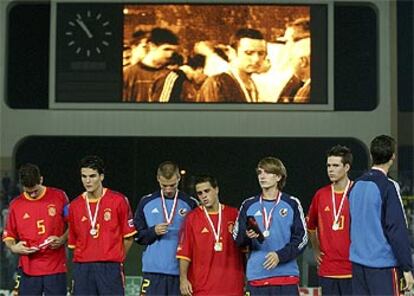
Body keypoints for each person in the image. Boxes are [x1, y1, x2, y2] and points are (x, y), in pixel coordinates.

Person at [349, 135, 414, 295]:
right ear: (393, 157)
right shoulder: (388, 187)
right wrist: (407, 267)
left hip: (358, 264)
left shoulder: (355, 185)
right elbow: (396, 229)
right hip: (382, 266)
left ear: (371, 155)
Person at [233, 157, 308, 295]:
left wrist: (280, 255)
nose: (262, 176)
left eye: (267, 172)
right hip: (257, 276)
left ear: (278, 176)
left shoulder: (291, 203)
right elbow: (237, 239)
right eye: (260, 173)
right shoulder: (249, 205)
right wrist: (247, 237)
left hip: (286, 277)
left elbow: (302, 238)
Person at [68, 155, 137, 295]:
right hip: (83, 268)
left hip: (110, 267)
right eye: (84, 176)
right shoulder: (75, 205)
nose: (87, 181)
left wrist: (116, 257)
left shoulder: (118, 200)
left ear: (101, 177)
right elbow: (73, 243)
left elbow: (129, 237)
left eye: (92, 176)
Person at [2, 163, 69, 295]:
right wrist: (14, 247)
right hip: (28, 270)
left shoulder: (60, 196)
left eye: (35, 191)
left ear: (41, 180)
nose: (32, 195)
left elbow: (74, 225)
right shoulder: (16, 204)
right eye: (28, 191)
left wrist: (62, 239)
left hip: (55, 267)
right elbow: (8, 236)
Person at [134, 161, 198, 295]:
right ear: (158, 179)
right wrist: (153, 232)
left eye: (172, 185)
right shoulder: (146, 202)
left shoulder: (190, 203)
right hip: (153, 271)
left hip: (179, 273)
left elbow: (196, 239)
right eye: (164, 185)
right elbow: (137, 236)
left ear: (179, 178)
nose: (168, 189)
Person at [177, 175, 245, 296]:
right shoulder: (192, 218)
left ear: (216, 189)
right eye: (200, 193)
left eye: (207, 191)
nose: (203, 196)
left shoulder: (234, 214)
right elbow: (185, 253)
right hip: (202, 287)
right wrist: (183, 279)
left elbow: (244, 248)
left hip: (233, 286)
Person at [306, 145, 353, 295]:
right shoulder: (321, 195)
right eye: (328, 165)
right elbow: (311, 225)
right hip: (328, 270)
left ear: (346, 167)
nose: (330, 169)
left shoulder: (357, 192)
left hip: (353, 269)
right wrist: (316, 249)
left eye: (335, 165)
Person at [197, 28, 267, 103]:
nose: (256, 59)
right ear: (232, 53)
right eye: (249, 53)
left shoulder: (253, 85)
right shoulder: (218, 83)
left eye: (261, 53)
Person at [123, 27, 182, 102]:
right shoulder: (128, 74)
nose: (170, 55)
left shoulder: (173, 75)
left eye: (173, 51)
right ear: (152, 46)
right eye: (166, 49)